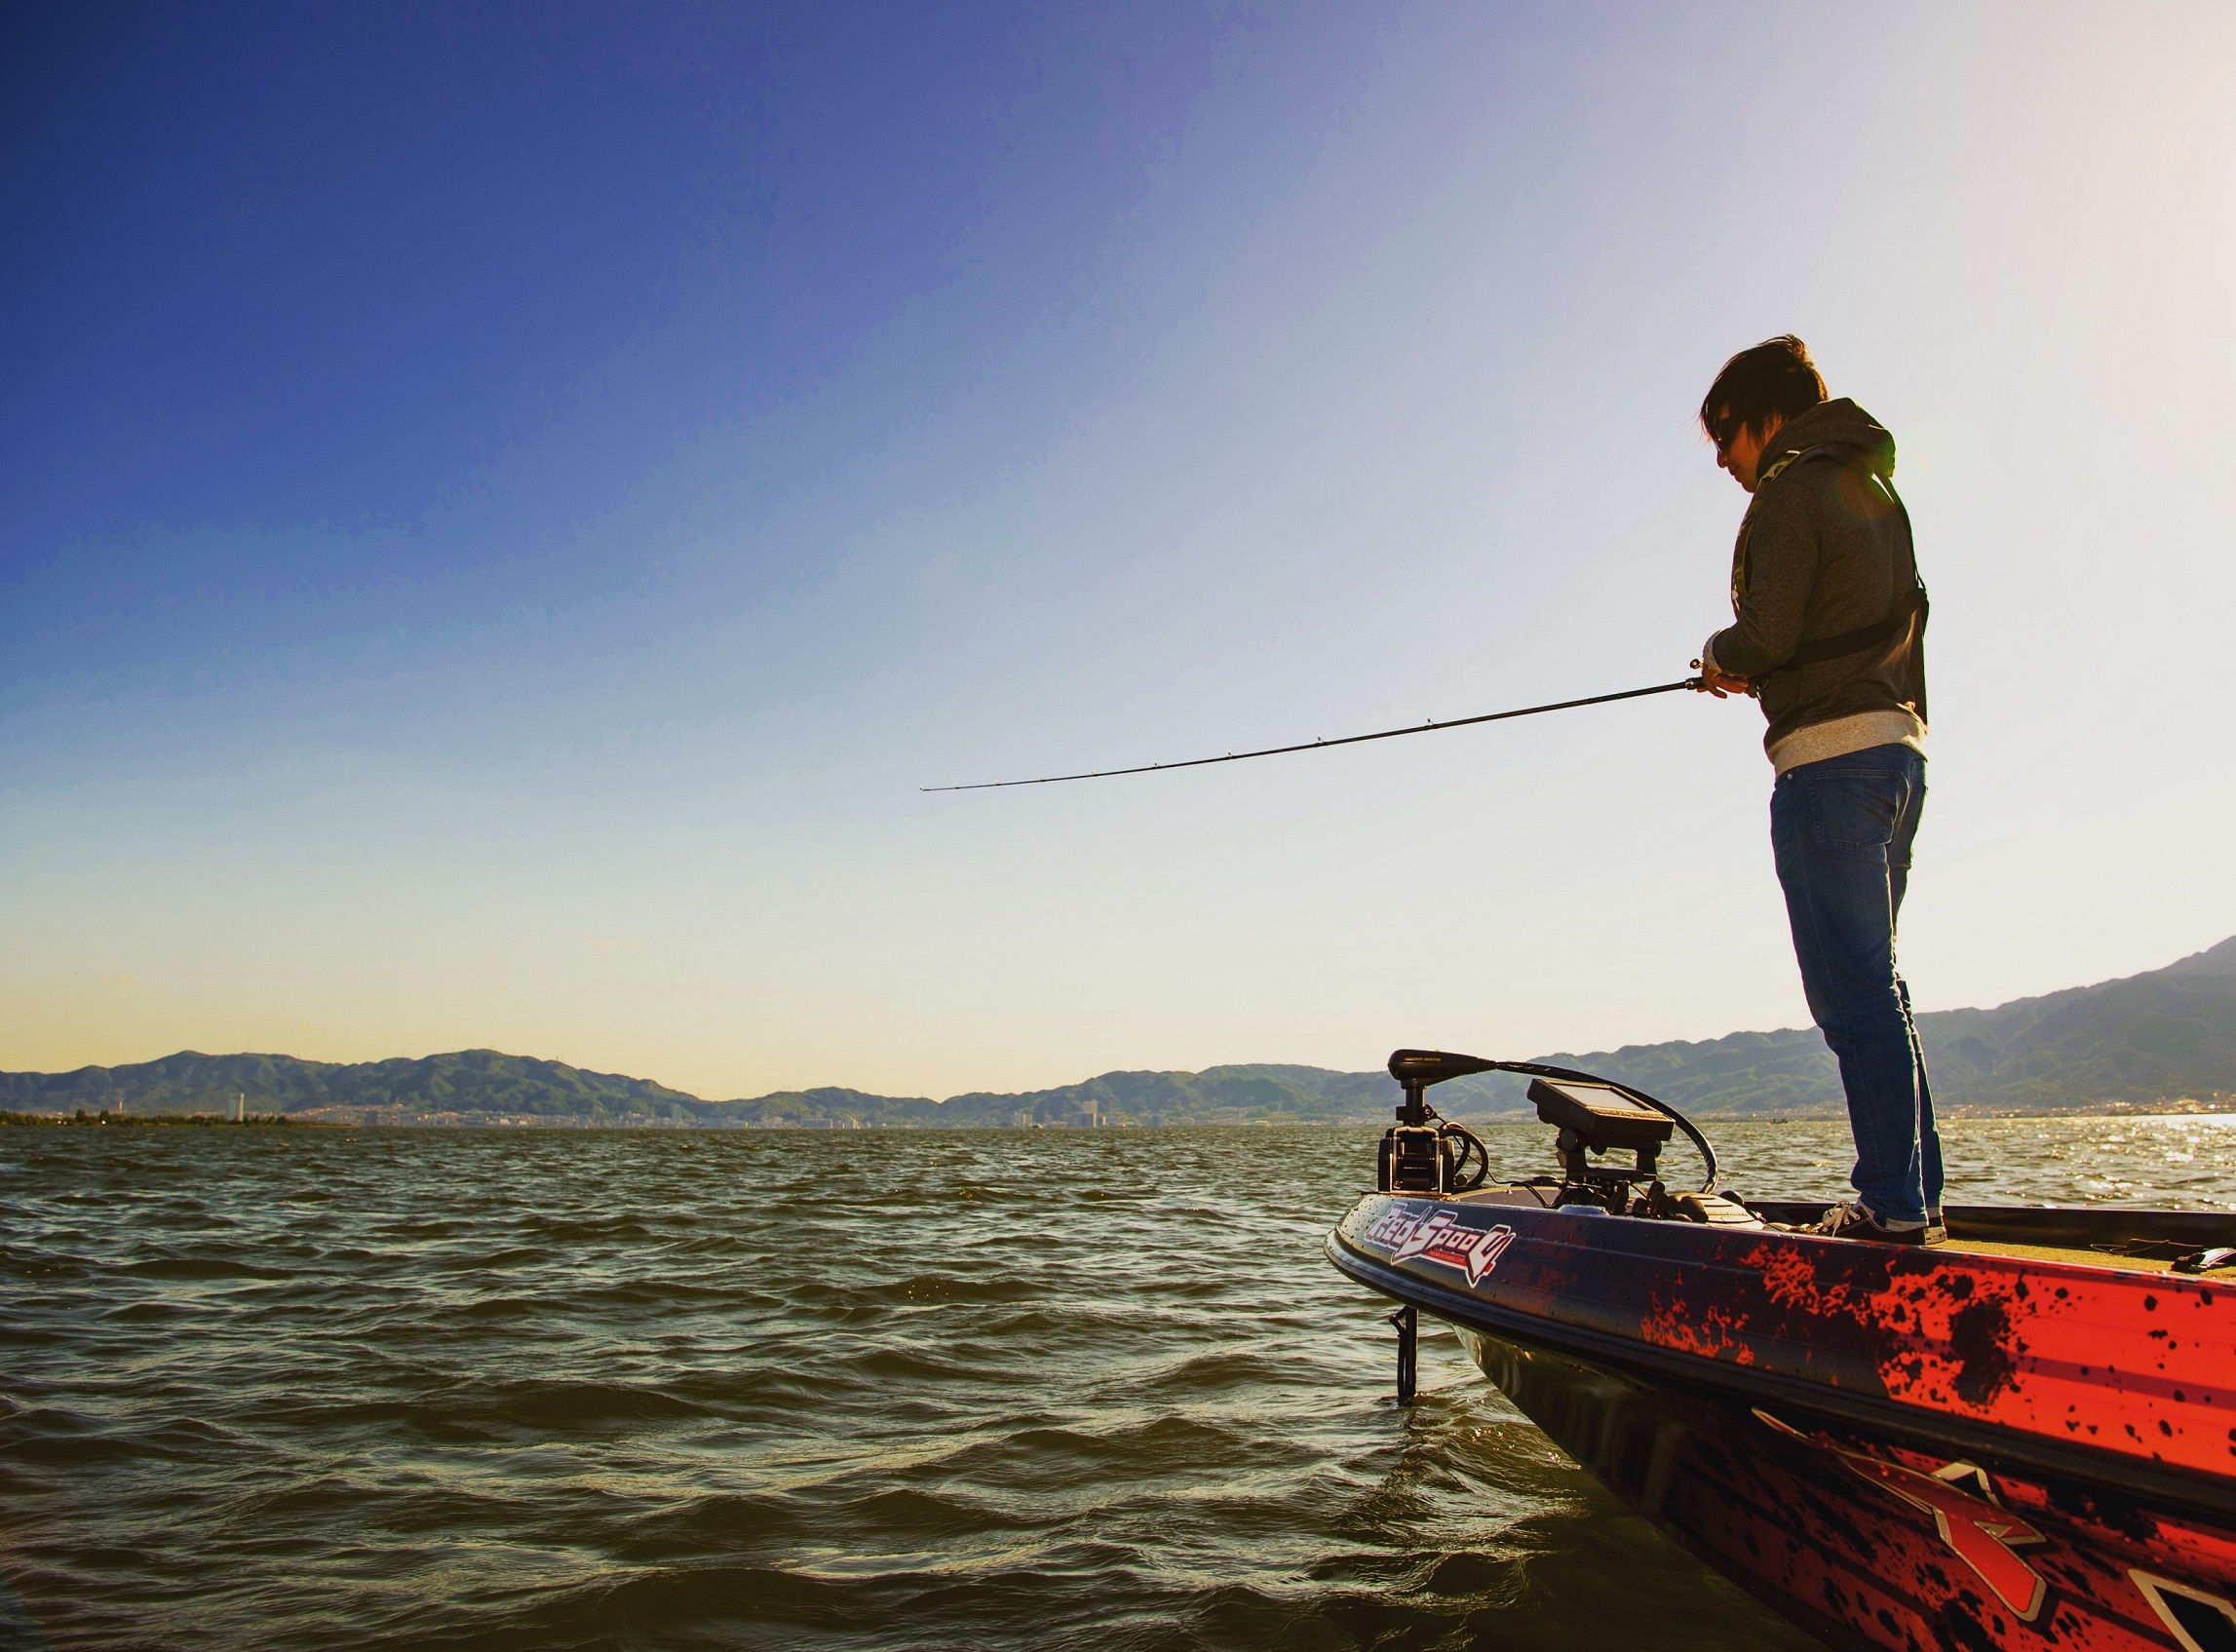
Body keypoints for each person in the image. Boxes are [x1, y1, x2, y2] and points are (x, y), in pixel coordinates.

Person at [1693, 335, 1942, 1245]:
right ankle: (1916, 1197)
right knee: (1882, 990)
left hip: (1831, 767)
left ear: (1766, 419)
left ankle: (1889, 1208)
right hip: (1896, 759)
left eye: (1724, 435)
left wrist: (1721, 658)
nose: (1723, 458)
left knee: (1852, 996)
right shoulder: (1872, 489)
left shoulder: (1795, 487)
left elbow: (1770, 632)